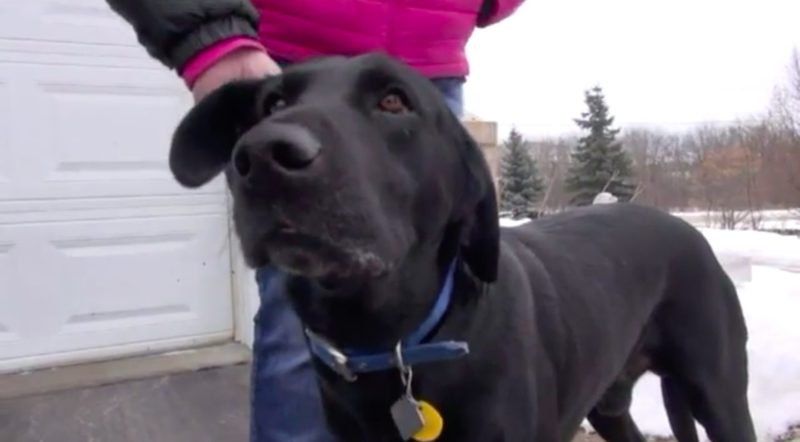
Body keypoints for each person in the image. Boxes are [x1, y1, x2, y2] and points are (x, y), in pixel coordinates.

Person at [103, 1, 524, 441]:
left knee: (454, 315)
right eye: (270, 116)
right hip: (281, 50)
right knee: (299, 327)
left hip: (430, 67)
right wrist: (210, 37)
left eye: (389, 104)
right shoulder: (276, 119)